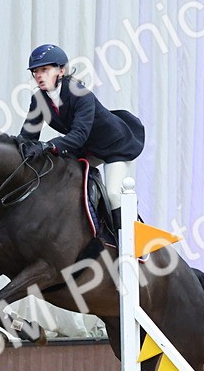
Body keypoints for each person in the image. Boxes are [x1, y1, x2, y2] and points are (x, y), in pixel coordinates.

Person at [17, 44, 145, 233]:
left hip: (115, 146)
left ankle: (129, 242)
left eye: (44, 70)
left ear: (61, 71)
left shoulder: (80, 94)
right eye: (35, 71)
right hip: (87, 147)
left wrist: (47, 145)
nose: (38, 75)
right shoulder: (40, 99)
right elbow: (28, 135)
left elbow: (78, 135)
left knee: (112, 193)